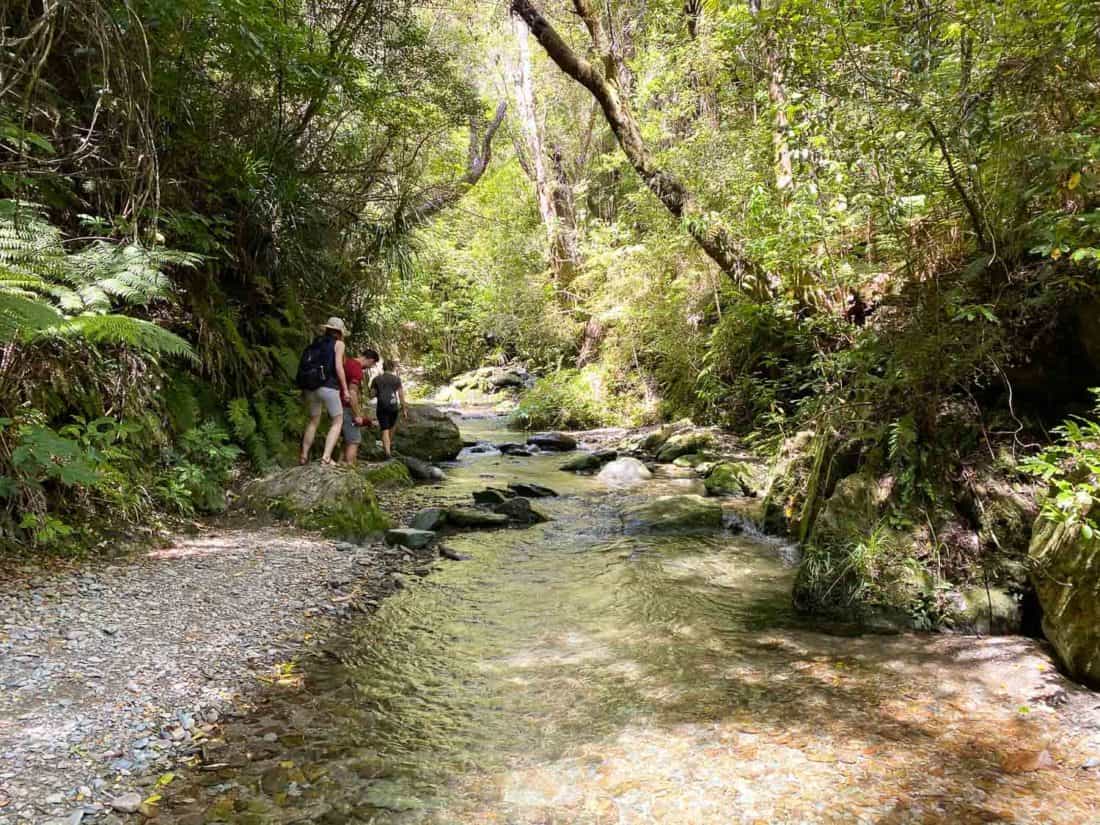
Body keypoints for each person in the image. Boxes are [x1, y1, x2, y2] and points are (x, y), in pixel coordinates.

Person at [299, 317, 351, 466]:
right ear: (340, 332)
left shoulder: (316, 342)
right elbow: (338, 367)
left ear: (327, 329)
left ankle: (303, 455)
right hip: (328, 387)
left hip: (311, 387)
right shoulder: (339, 344)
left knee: (314, 420)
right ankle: (326, 457)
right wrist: (345, 389)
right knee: (337, 420)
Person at [341, 349, 379, 465]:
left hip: (336, 403)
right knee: (354, 440)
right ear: (371, 360)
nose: (369, 368)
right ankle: (350, 467)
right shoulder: (356, 369)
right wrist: (357, 415)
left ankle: (341, 463)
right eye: (372, 365)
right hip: (346, 406)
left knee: (346, 437)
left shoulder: (346, 362)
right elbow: (352, 393)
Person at [370, 359, 408, 458]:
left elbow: (372, 395)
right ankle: (389, 446)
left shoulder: (376, 379)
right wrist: (404, 409)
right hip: (393, 405)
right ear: (392, 368)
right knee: (392, 427)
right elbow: (401, 395)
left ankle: (387, 452)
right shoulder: (396, 379)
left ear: (383, 367)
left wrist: (378, 392)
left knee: (385, 429)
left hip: (382, 406)